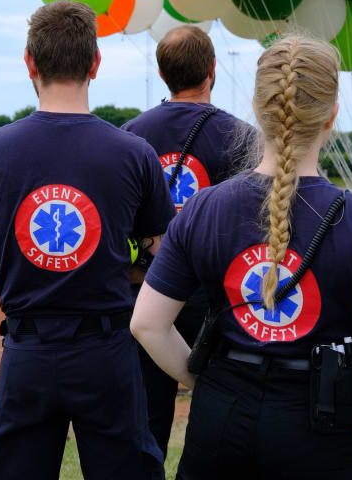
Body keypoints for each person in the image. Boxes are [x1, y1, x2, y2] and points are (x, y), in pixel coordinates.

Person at [130, 34, 352, 479]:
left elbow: (147, 323)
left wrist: (204, 384)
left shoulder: (204, 207)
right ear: (332, 115)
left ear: (258, 109)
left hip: (221, 421)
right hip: (326, 424)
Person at [0, 0, 174, 479]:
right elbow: (157, 247)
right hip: (107, 352)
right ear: (95, 64)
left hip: (26, 352)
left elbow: (0, 221)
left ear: (29, 63)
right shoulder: (135, 154)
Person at [122, 25, 254, 459]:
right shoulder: (243, 138)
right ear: (212, 70)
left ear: (162, 74)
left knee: (146, 420)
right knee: (224, 406)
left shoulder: (129, 135)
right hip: (217, 297)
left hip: (148, 289)